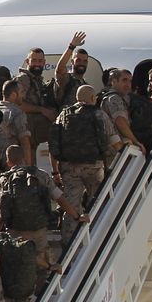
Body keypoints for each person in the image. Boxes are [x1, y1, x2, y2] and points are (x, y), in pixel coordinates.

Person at [0, 144, 86, 271]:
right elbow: (60, 198)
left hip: (14, 231)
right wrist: (76, 216)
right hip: (38, 229)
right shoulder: (40, 175)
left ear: (8, 161)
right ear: (24, 158)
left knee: (19, 266)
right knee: (43, 264)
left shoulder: (4, 180)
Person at [50, 84, 115, 243]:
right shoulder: (99, 114)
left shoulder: (63, 115)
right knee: (96, 202)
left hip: (69, 167)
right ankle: (96, 237)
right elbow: (111, 140)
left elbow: (54, 144)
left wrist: (55, 171)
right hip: (94, 166)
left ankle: (69, 240)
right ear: (93, 98)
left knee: (71, 205)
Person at [13, 46, 60, 153]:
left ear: (44, 62)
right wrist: (42, 110)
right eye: (34, 60)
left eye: (40, 61)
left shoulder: (37, 81)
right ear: (27, 62)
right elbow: (17, 104)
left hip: (34, 133)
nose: (37, 64)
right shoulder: (23, 79)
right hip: (24, 133)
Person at [99, 68, 147, 158]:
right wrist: (136, 142)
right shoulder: (114, 98)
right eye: (124, 80)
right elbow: (120, 121)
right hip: (115, 150)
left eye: (130, 81)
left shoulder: (121, 98)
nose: (128, 84)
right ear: (113, 81)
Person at [0, 80, 35, 165]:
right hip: (8, 163)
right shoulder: (16, 112)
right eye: (21, 92)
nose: (24, 95)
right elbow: (25, 143)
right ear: (13, 95)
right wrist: (28, 168)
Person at [52, 32, 93, 109]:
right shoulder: (66, 79)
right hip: (67, 119)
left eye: (84, 61)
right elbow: (60, 68)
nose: (82, 63)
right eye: (78, 60)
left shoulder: (85, 84)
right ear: (72, 62)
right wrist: (71, 46)